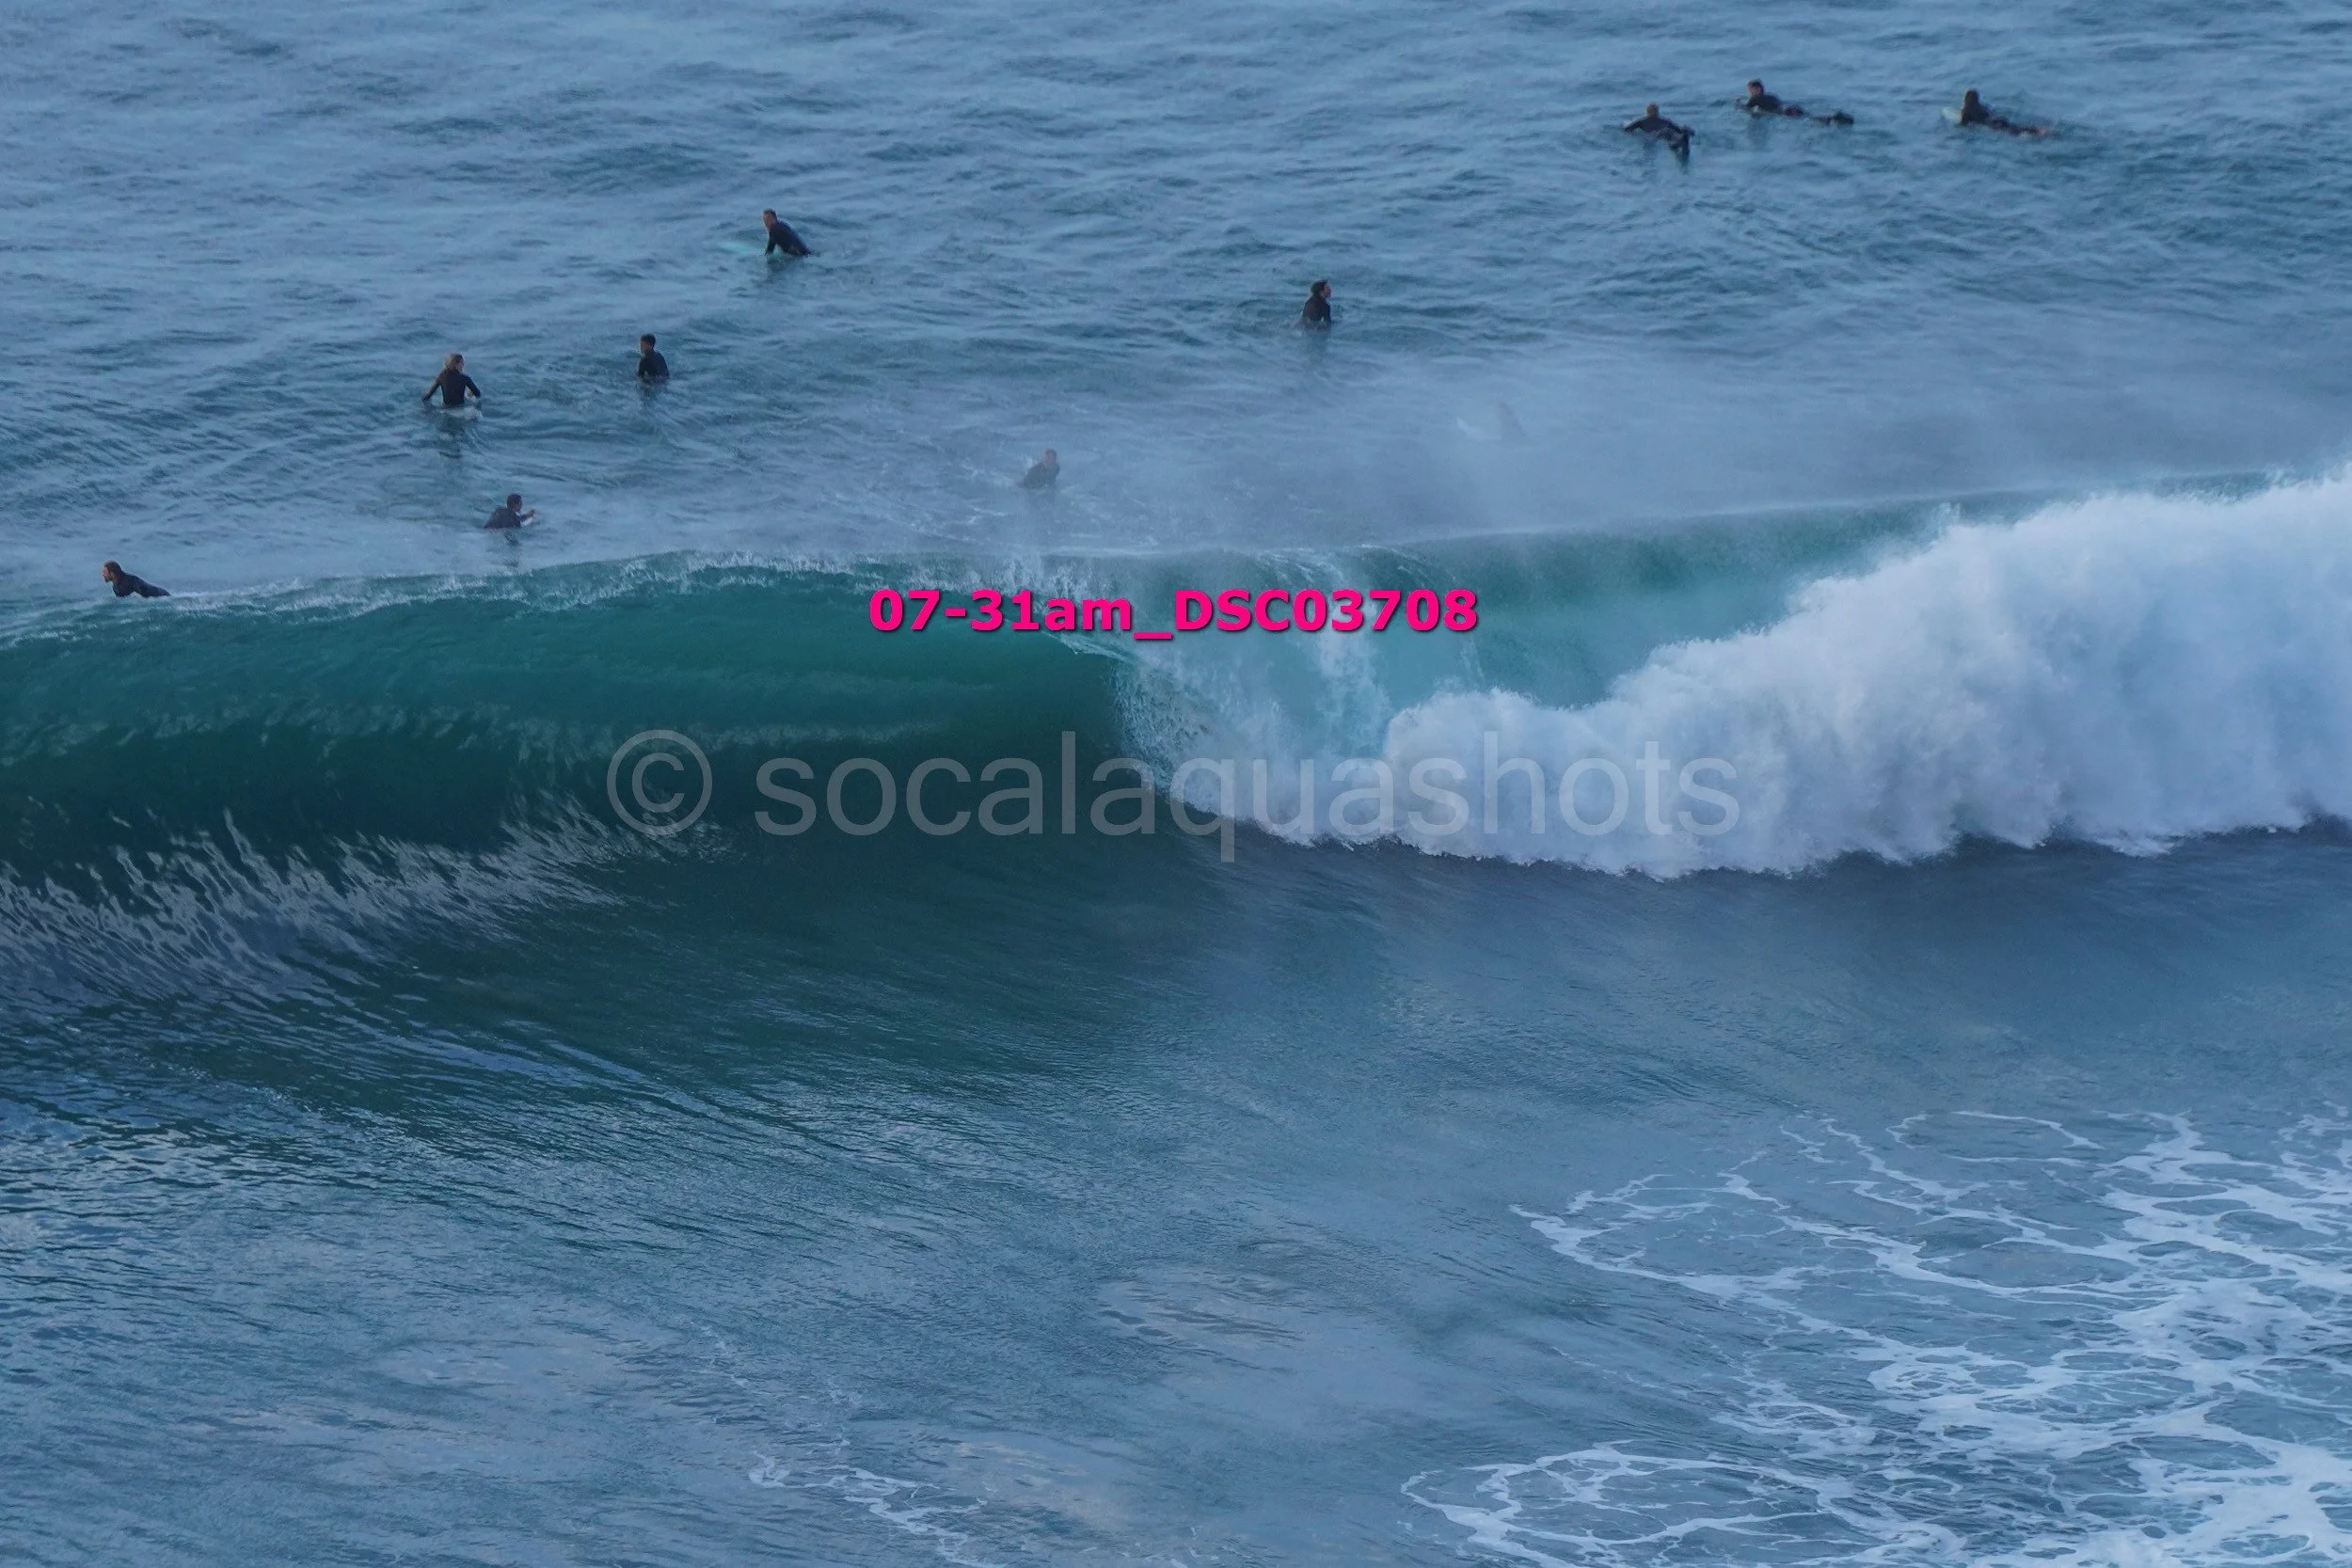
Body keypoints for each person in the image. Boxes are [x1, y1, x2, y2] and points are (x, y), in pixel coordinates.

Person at [1958, 88, 2048, 136]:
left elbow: (1963, 125)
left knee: (2014, 133)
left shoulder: (1966, 111)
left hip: (1992, 125)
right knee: (2015, 127)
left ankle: (2036, 133)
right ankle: (2037, 130)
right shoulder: (1982, 106)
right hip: (1998, 119)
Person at [1623, 104, 1692, 155]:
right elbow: (1678, 129)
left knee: (1669, 133)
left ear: (1647, 112)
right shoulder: (1642, 121)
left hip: (1657, 135)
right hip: (1658, 135)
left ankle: (1679, 141)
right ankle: (1680, 141)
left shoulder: (1641, 121)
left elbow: (1627, 129)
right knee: (1669, 133)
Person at [102, 561, 167, 598]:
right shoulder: (116, 587)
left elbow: (144, 596)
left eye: (105, 572)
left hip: (162, 595)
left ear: (112, 573)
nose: (103, 574)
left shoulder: (132, 580)